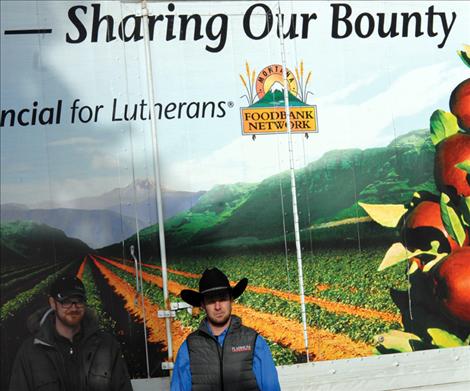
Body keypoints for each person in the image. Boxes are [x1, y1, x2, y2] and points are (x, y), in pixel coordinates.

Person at [9, 275, 133, 391]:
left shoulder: (107, 346)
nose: (74, 308)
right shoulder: (30, 351)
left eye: (78, 301)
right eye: (66, 302)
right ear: (53, 303)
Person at [171, 267, 281, 391]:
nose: (218, 307)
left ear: (231, 300)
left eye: (222, 299)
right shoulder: (189, 347)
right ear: (202, 304)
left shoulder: (254, 342)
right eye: (211, 301)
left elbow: (271, 388)